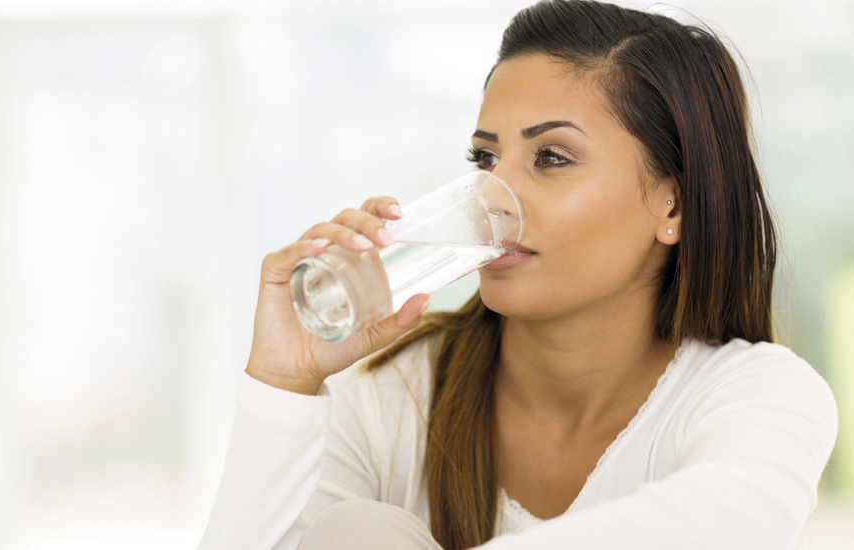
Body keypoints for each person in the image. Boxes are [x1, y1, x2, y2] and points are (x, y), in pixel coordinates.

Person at [197, 1, 838, 548]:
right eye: (485, 157)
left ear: (671, 204)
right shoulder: (394, 396)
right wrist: (283, 380)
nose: (493, 197)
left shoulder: (757, 395)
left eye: (551, 157)